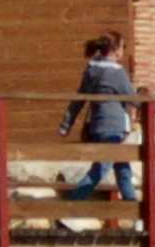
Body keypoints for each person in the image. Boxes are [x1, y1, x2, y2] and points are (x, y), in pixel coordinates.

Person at [59, 35, 138, 203]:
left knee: (122, 168)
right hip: (114, 127)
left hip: (97, 125)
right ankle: (72, 205)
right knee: (101, 168)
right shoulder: (116, 72)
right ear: (115, 49)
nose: (124, 51)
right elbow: (134, 99)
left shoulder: (91, 69)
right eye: (123, 47)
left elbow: (79, 99)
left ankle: (132, 206)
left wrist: (66, 124)